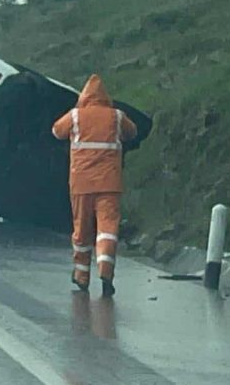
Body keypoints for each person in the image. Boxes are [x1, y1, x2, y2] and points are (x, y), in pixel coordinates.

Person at [52, 74, 137, 297]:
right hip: (109, 183)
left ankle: (81, 275)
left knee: (82, 230)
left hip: (81, 183)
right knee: (107, 229)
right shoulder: (116, 117)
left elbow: (56, 131)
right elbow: (133, 132)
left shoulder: (76, 116)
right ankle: (106, 270)